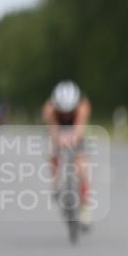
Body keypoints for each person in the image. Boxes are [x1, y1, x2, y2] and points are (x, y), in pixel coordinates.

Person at [42, 81, 92, 225]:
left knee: (82, 168)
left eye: (69, 111)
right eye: (62, 111)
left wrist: (73, 139)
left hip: (75, 131)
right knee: (52, 152)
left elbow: (80, 128)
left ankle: (85, 208)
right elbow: (53, 129)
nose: (66, 114)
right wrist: (58, 140)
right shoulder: (50, 108)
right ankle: (56, 182)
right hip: (58, 131)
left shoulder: (83, 106)